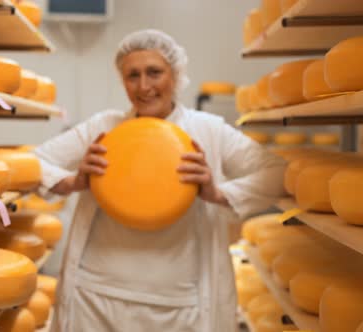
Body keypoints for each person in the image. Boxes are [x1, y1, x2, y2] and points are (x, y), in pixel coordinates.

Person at [34, 29, 286, 332]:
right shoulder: (103, 128)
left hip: (181, 304)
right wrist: (73, 182)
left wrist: (217, 193)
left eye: (154, 73)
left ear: (176, 74)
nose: (144, 86)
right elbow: (34, 163)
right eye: (132, 75)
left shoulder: (209, 131)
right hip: (97, 297)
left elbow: (278, 174)